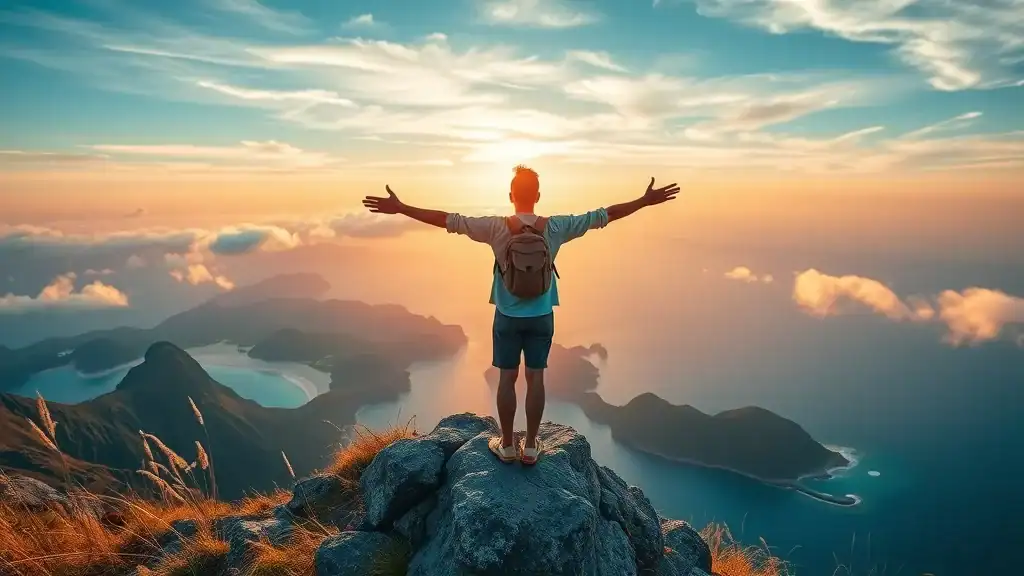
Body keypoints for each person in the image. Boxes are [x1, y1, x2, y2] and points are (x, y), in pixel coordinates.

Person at [362, 165, 680, 466]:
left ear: (510, 195)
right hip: (542, 316)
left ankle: (507, 445)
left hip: (507, 317)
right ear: (538, 196)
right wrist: (644, 201)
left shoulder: (495, 227)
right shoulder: (555, 227)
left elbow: (448, 219)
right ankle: (530, 446)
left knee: (507, 378)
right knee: (536, 377)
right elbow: (605, 215)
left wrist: (402, 208)